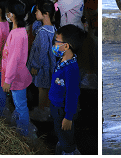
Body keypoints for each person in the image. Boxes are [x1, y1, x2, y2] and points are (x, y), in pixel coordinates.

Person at [1, 0, 34, 137]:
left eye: (7, 12)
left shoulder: (18, 34)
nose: (6, 15)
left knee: (21, 106)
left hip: (16, 78)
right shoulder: (17, 31)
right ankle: (20, 126)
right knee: (18, 103)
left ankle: (23, 133)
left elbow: (14, 60)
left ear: (12, 15)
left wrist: (8, 79)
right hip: (16, 75)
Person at [50, 24, 84, 155]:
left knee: (66, 134)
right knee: (61, 132)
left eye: (57, 41)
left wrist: (68, 117)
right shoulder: (62, 61)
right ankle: (64, 144)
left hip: (63, 111)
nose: (54, 44)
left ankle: (69, 151)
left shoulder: (71, 69)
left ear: (66, 46)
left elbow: (72, 94)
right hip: (56, 107)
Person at [27, 1, 57, 121]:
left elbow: (42, 51)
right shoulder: (53, 29)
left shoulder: (42, 33)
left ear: (46, 14)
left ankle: (42, 111)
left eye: (37, 11)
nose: (35, 13)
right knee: (47, 88)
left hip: (42, 67)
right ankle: (47, 110)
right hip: (50, 65)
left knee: (42, 89)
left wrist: (35, 65)